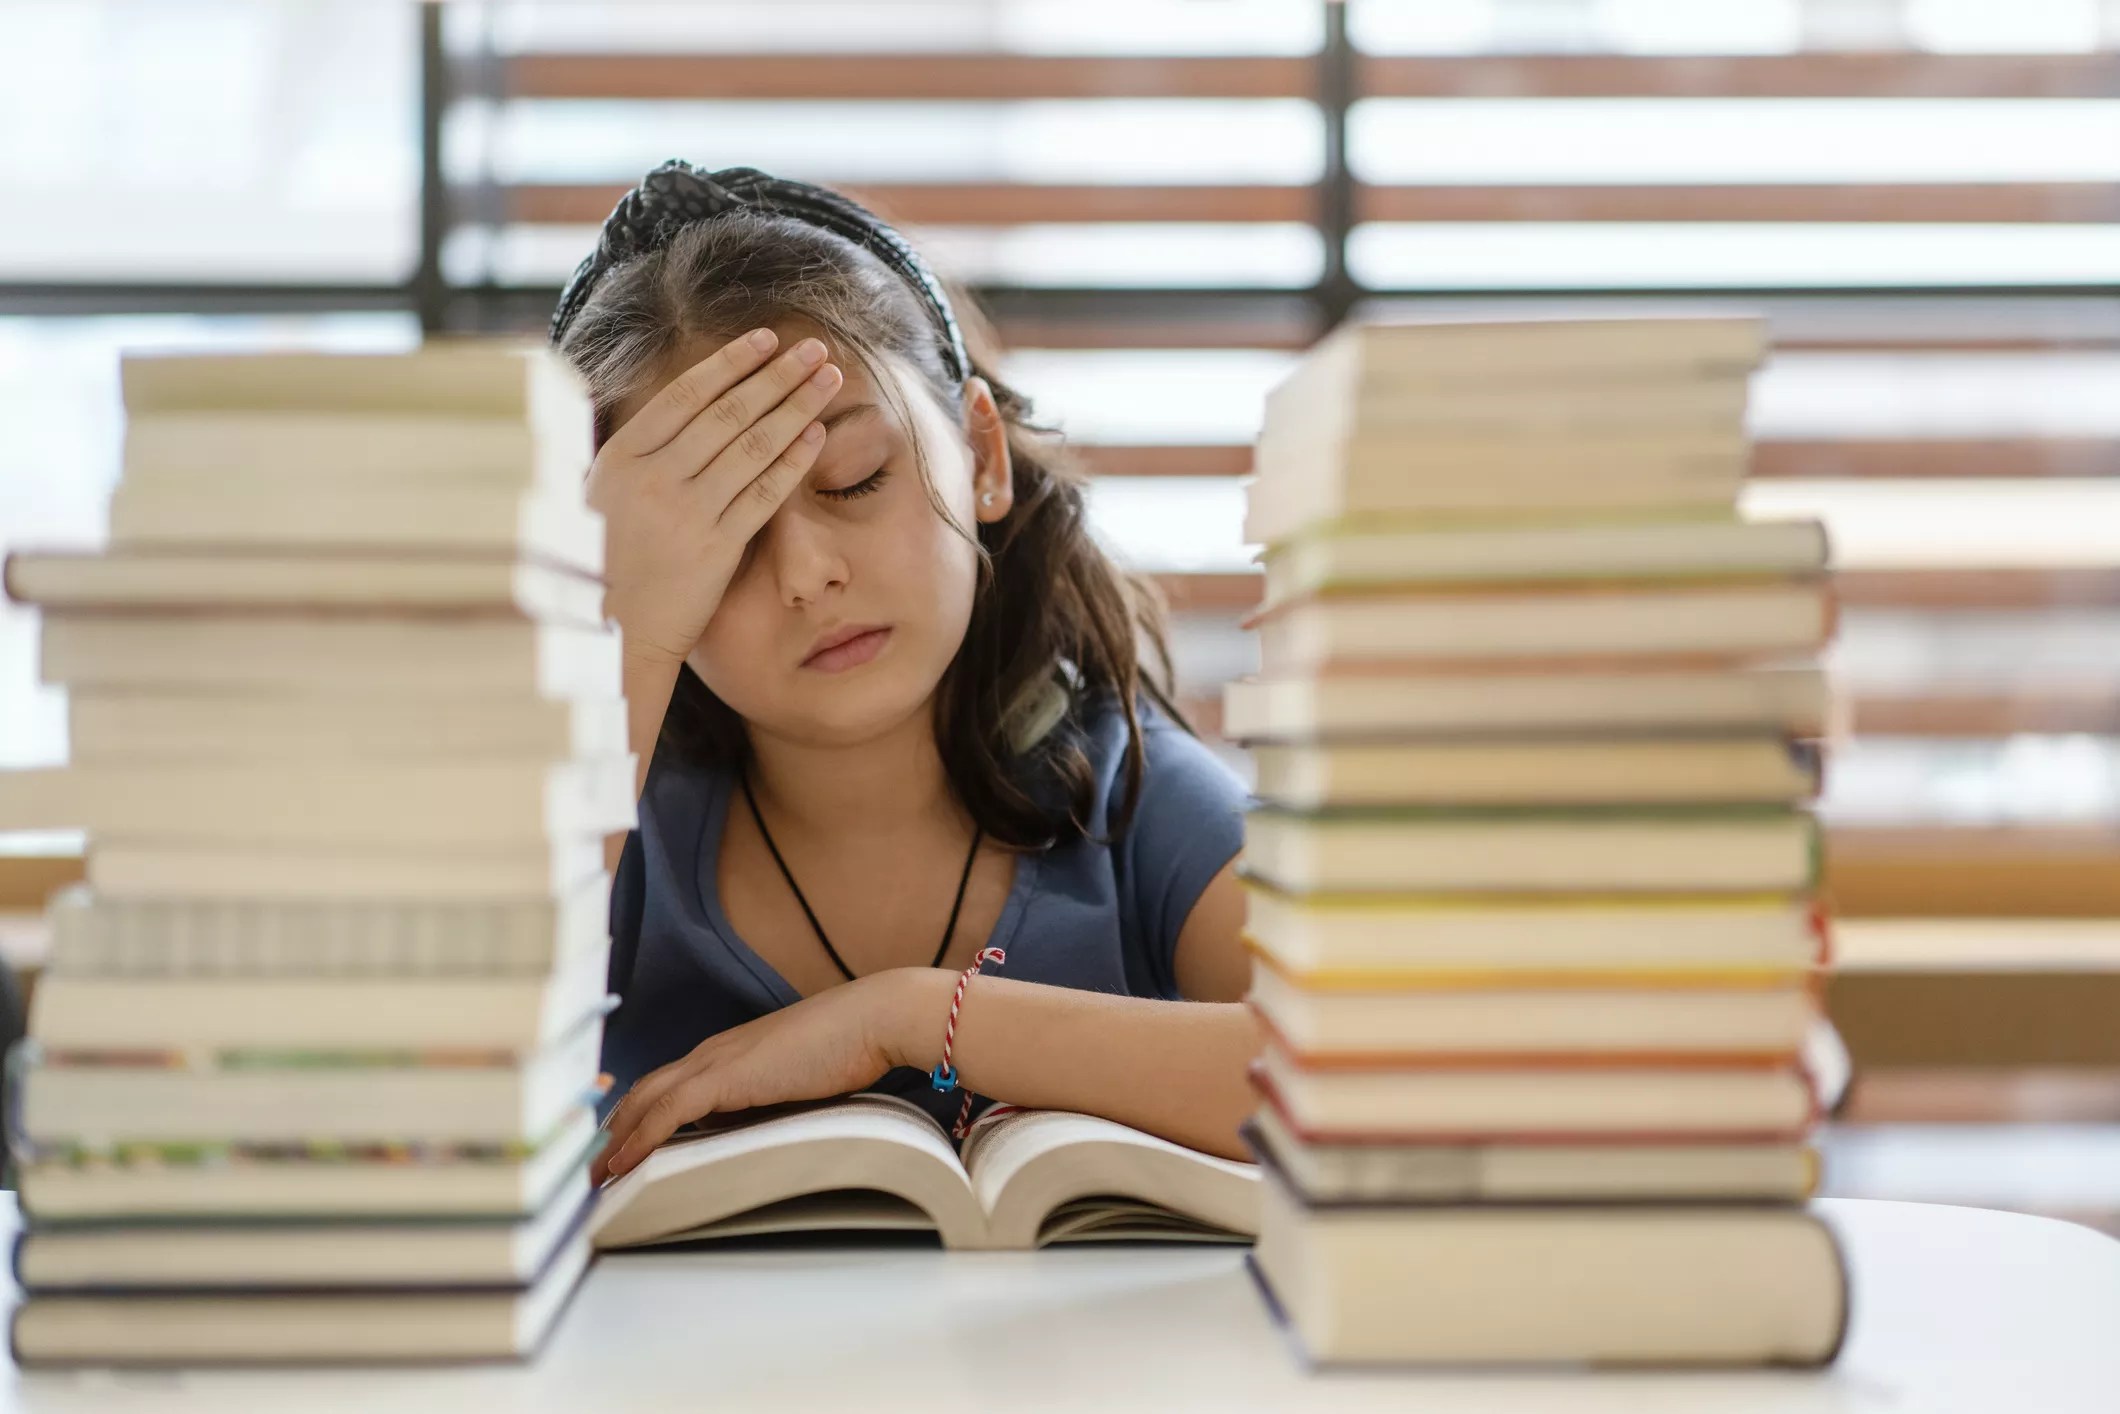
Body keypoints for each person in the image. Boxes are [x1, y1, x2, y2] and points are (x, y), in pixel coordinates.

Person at [554, 161, 1257, 1183]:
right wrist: (621, 638)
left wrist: (909, 1015)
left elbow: (1366, 1067)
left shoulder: (1128, 793)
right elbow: (418, 1092)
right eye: (721, 536)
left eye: (855, 479)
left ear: (979, 455)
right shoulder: (615, 828)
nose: (804, 575)